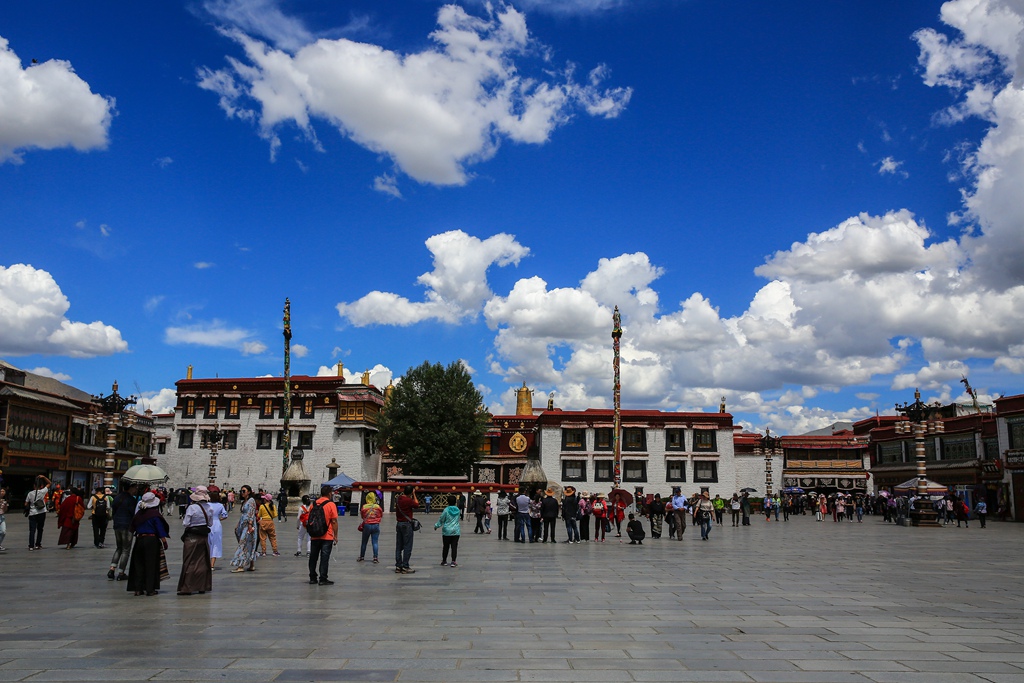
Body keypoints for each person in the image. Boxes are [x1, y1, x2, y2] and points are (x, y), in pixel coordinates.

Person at [126, 492, 170, 596]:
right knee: (151, 564)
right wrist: (164, 541)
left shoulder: (139, 514)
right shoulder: (154, 515)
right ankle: (150, 589)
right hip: (151, 540)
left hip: (140, 539)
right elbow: (159, 529)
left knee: (138, 564)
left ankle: (138, 588)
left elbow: (132, 527)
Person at [178, 487, 213, 596]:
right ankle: (202, 586)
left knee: (189, 561)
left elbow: (186, 523)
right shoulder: (209, 508)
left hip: (192, 537)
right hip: (204, 536)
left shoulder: (192, 508)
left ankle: (187, 588)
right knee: (202, 561)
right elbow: (210, 524)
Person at [308, 484, 340, 584]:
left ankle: (312, 577)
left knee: (313, 557)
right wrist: (335, 536)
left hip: (314, 535)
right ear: (330, 494)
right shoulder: (331, 505)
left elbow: (309, 519)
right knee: (324, 557)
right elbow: (334, 521)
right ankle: (323, 578)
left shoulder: (314, 504)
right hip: (327, 535)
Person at [108, 482, 138, 580]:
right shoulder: (131, 500)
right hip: (127, 526)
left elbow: (114, 511)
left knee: (119, 548)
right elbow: (133, 514)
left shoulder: (117, 498)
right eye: (135, 488)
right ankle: (121, 573)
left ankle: (112, 569)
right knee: (126, 550)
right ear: (130, 488)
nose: (136, 490)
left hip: (117, 525)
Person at [230, 485, 258, 573]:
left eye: (244, 491)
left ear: (249, 492)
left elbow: (251, 513)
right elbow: (243, 515)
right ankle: (252, 565)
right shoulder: (244, 501)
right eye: (241, 491)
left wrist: (250, 525)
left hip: (248, 525)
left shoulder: (251, 500)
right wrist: (237, 525)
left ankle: (240, 566)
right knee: (248, 544)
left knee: (242, 544)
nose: (242, 493)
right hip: (242, 524)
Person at [394, 485, 419, 574]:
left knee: (399, 546)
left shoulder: (398, 499)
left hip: (399, 524)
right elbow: (417, 504)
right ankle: (405, 566)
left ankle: (398, 565)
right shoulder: (408, 500)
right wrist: (414, 495)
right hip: (407, 524)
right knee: (407, 546)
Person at [25, 474, 51, 551]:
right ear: (41, 486)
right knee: (40, 529)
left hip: (32, 513)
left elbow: (26, 503)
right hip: (42, 512)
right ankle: (38, 544)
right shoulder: (42, 492)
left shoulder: (30, 493)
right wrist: (43, 477)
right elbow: (49, 483)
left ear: (34, 485)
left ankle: (31, 546)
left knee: (32, 530)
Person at [434, 502, 462, 567]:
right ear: (455, 502)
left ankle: (444, 561)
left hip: (447, 531)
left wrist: (436, 526)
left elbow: (442, 519)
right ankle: (453, 561)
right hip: (456, 530)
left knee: (446, 546)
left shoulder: (446, 510)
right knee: (454, 546)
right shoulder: (457, 510)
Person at [207, 489, 229, 569]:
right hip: (216, 524)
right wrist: (218, 519)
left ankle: (206, 562)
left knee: (207, 542)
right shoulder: (220, 505)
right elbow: (225, 515)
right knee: (215, 544)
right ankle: (212, 565)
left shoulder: (207, 505)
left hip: (208, 524)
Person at [358, 491, 382, 563]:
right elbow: (380, 515)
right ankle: (375, 557)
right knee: (375, 542)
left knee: (364, 542)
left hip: (367, 525)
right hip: (376, 525)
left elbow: (362, 516)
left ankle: (362, 557)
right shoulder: (378, 507)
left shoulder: (364, 507)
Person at [0, 486, 8, 552]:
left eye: (3, 491)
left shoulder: (4, 500)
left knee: (3, 531)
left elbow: (5, 510)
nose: (2, 493)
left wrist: (5, 505)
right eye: (1, 491)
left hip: (2, 516)